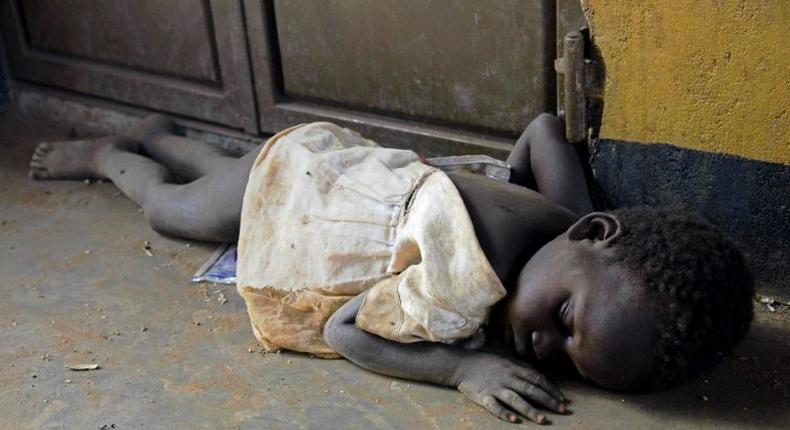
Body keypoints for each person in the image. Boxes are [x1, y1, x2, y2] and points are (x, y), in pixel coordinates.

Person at [28, 113, 754, 425]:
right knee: (174, 213)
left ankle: (160, 135)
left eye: (574, 365)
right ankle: (103, 157)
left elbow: (543, 129)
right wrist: (461, 370)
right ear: (597, 233)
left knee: (226, 179)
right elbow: (347, 330)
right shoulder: (459, 278)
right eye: (564, 322)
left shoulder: (568, 220)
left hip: (332, 163)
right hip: (299, 206)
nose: (543, 350)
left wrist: (498, 180)